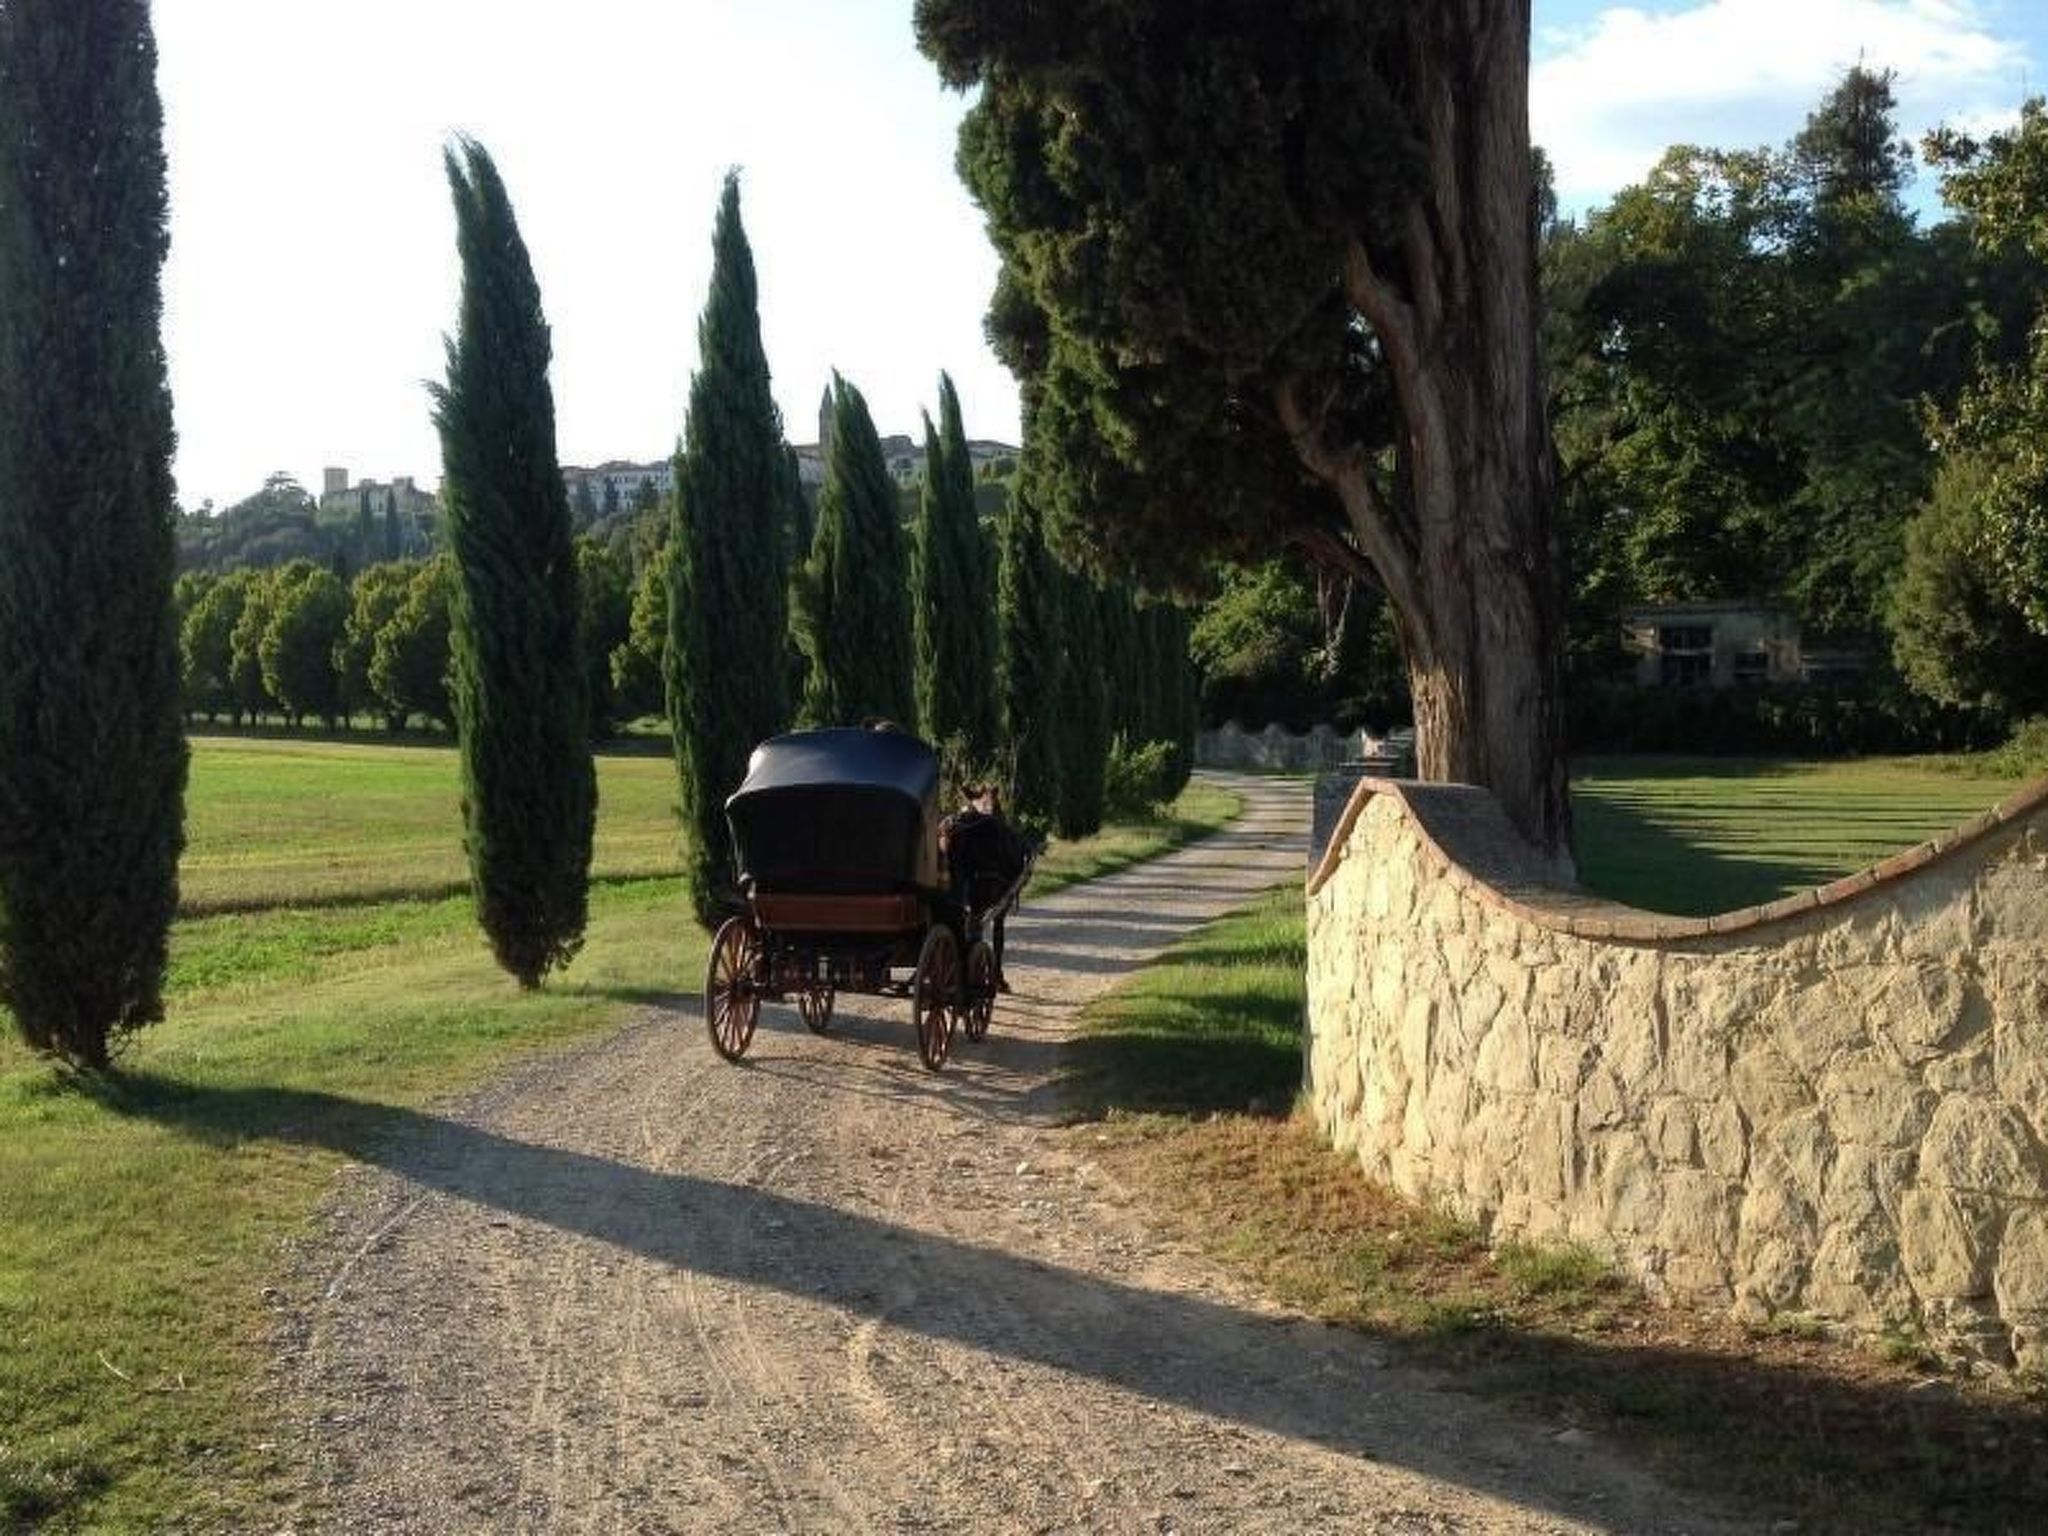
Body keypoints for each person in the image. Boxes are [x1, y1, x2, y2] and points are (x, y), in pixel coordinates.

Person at [940, 783, 1028, 991]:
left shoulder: (954, 826)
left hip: (955, 886)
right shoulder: (993, 828)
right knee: (996, 922)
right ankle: (995, 973)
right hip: (983, 884)